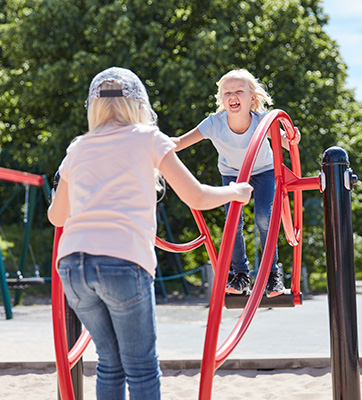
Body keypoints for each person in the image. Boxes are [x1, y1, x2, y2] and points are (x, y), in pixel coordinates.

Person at [47, 67, 252, 400]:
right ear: (139, 106)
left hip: (72, 266)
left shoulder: (78, 148)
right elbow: (196, 196)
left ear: (93, 108)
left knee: (109, 363)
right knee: (141, 367)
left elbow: (57, 217)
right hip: (122, 261)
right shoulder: (147, 138)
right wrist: (236, 192)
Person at [171, 69, 301, 297]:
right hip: (232, 172)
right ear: (221, 99)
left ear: (252, 98)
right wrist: (153, 144)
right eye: (227, 92)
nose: (233, 96)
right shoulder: (214, 123)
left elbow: (284, 141)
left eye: (239, 91)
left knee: (263, 217)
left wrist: (292, 137)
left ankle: (272, 275)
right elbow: (180, 143)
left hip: (263, 170)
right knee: (233, 219)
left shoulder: (263, 121)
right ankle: (241, 275)